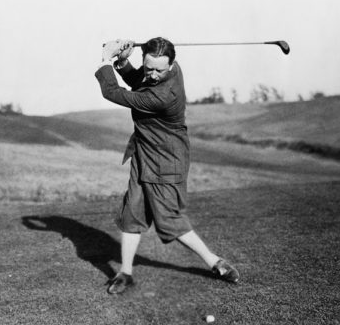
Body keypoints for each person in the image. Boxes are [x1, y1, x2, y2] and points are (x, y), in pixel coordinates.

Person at [94, 37, 239, 294]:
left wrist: (106, 58)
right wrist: (124, 61)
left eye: (159, 69)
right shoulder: (163, 73)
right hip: (144, 154)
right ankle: (125, 272)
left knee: (169, 221)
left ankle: (215, 262)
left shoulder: (162, 95)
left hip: (165, 161)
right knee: (132, 214)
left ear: (171, 65)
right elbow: (141, 79)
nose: (152, 74)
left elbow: (113, 92)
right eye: (148, 67)